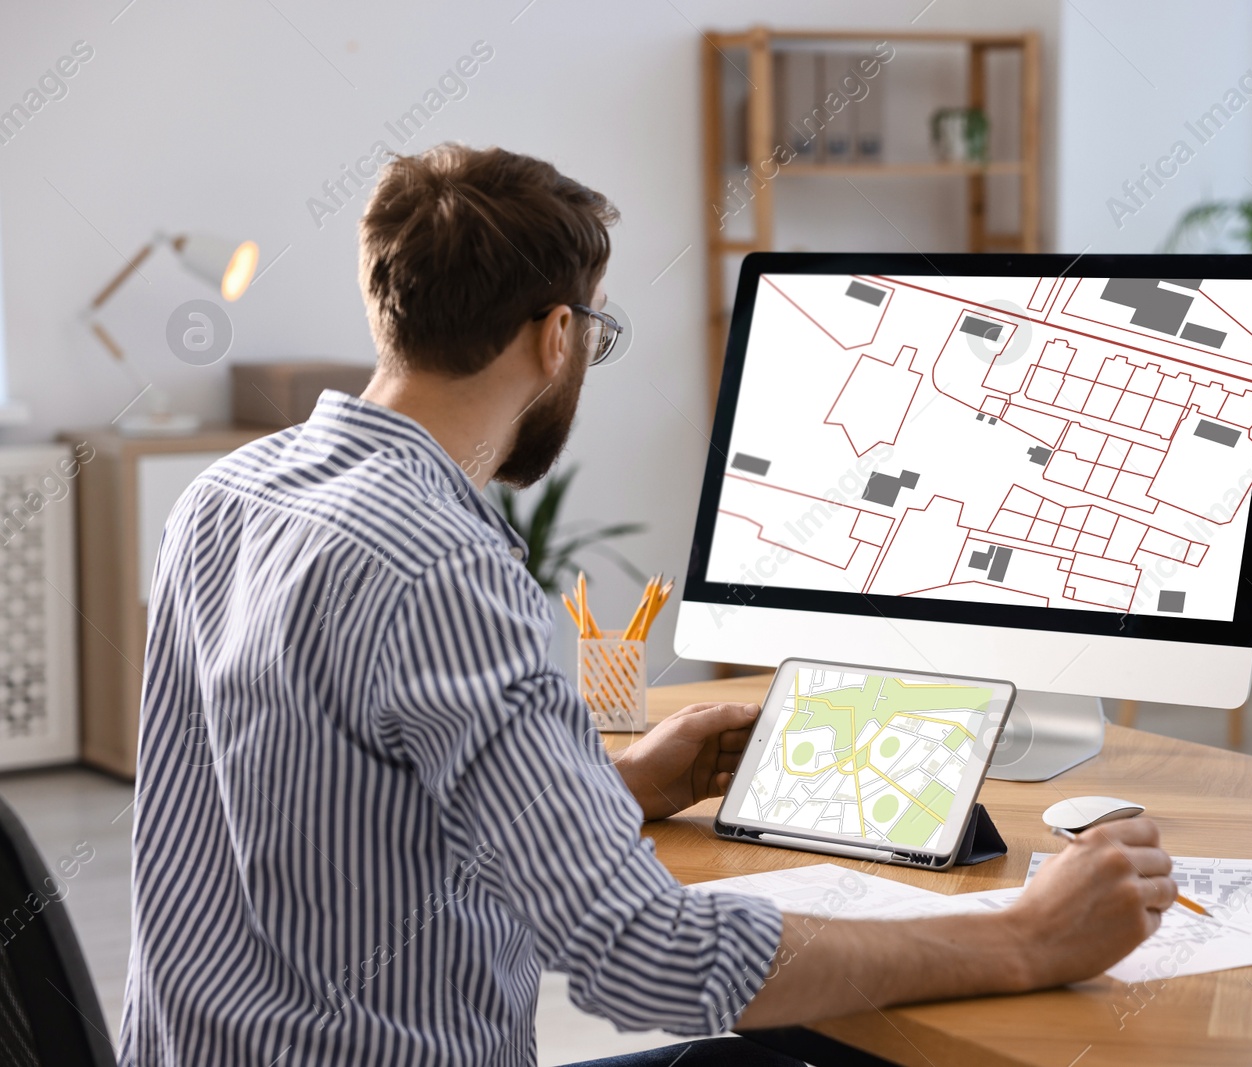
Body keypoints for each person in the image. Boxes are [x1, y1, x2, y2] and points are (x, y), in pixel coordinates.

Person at [119, 143, 1176, 1067]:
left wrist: (615, 787)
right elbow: (645, 958)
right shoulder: (440, 567)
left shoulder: (227, 496)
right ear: (556, 336)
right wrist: (1025, 935)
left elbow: (335, 831)